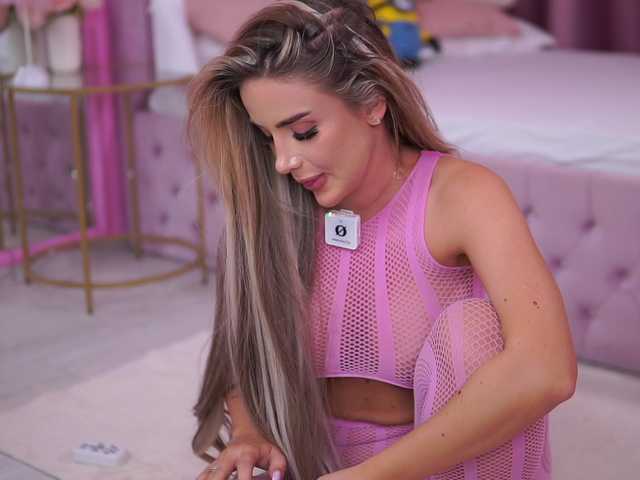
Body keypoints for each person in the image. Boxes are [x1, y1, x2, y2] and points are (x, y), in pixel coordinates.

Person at [187, 1, 577, 479]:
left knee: (474, 332)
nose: (283, 162)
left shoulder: (463, 194)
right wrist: (250, 434)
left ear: (372, 103)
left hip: (443, 463)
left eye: (303, 132)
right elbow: (243, 352)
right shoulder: (271, 207)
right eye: (269, 138)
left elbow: (547, 370)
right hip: (316, 462)